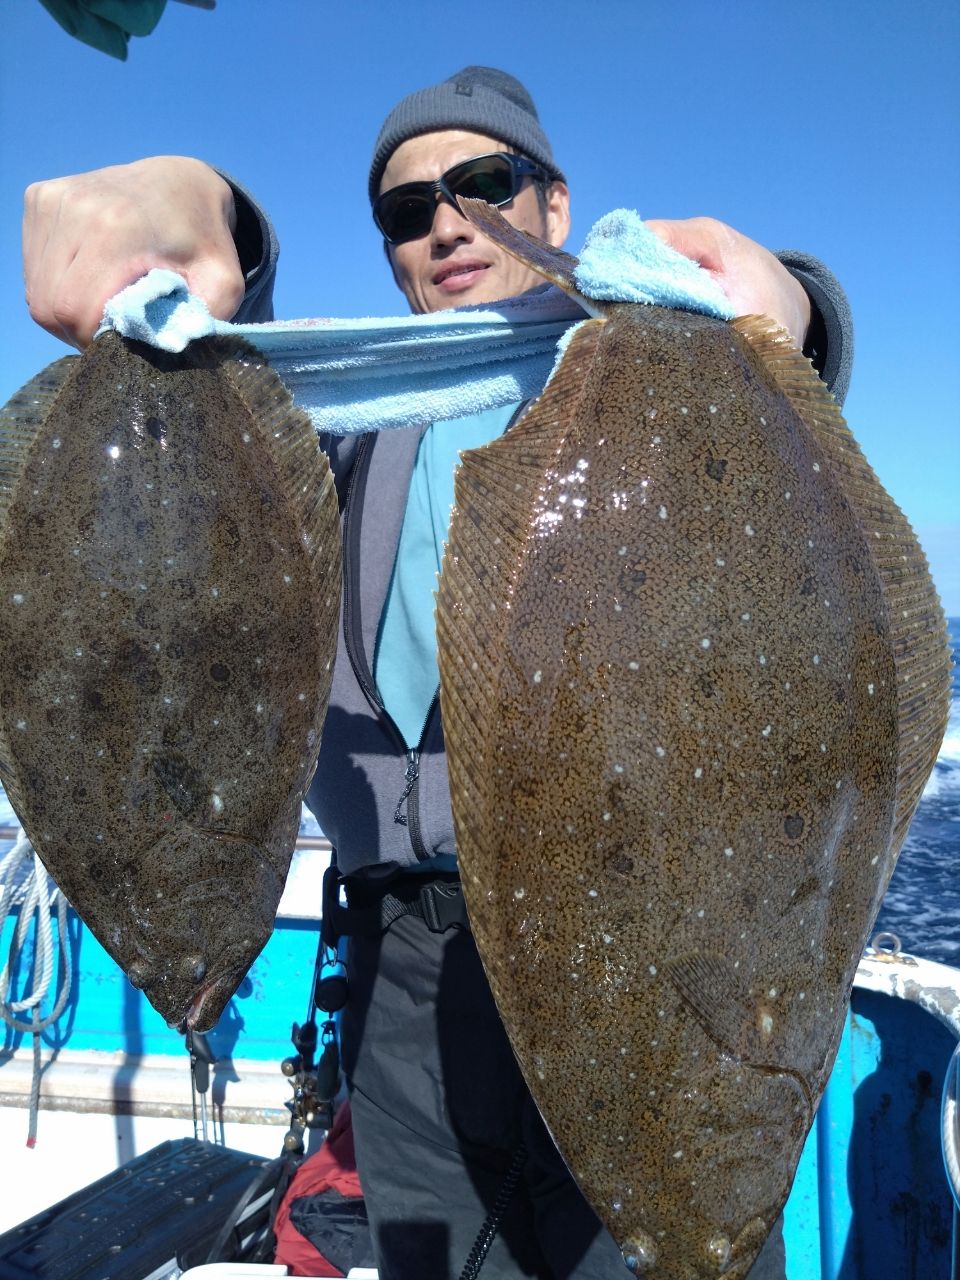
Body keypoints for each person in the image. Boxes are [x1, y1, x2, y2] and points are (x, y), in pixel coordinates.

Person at [22, 67, 852, 1279]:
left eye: (484, 184)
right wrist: (217, 227)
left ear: (553, 205)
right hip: (400, 967)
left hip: (631, 942)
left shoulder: (626, 378)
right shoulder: (338, 423)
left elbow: (795, 404)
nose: (449, 222)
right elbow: (207, 389)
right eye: (408, 210)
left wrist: (797, 311)